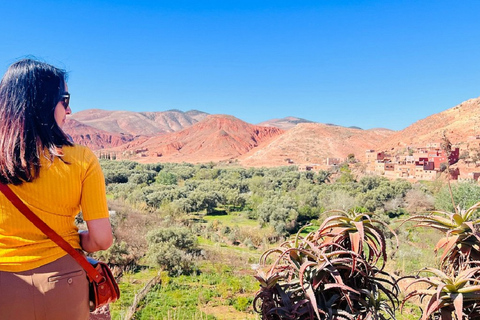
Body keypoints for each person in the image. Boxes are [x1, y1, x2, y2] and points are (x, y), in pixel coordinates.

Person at [0, 58, 113, 320]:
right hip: (63, 283)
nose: (70, 109)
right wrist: (75, 237)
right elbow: (102, 240)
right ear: (43, 102)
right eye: (65, 98)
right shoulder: (82, 159)